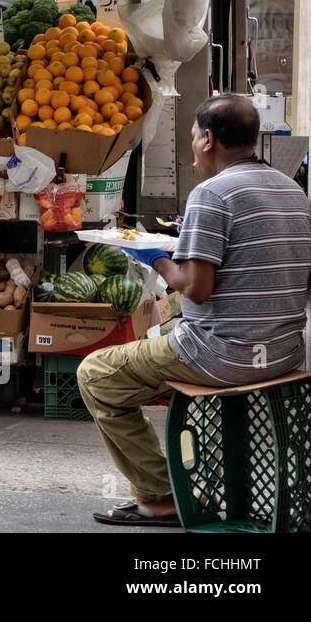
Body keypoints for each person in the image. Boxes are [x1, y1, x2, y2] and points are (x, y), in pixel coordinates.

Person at [80, 94, 311, 527]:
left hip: (222, 356)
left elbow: (196, 290)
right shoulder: (291, 189)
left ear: (207, 139)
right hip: (284, 353)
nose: (191, 150)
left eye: (191, 139)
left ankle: (161, 496)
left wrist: (153, 256)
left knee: (97, 375)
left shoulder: (211, 193)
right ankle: (194, 477)